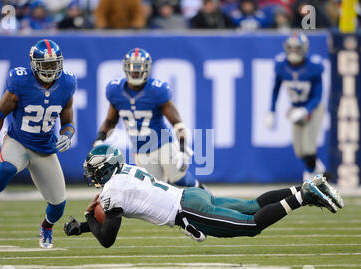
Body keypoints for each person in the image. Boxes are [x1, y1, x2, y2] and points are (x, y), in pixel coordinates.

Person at [63, 144, 344, 247]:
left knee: (251, 226)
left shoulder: (112, 190)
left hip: (187, 211)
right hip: (192, 196)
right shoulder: (126, 170)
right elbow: (116, 214)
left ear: (104, 170)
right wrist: (83, 229)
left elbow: (108, 238)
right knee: (251, 205)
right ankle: (304, 187)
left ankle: (305, 194)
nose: (91, 176)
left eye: (93, 171)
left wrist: (89, 215)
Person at [0, 39, 77, 249]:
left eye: (54, 64)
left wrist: (67, 135)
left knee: (58, 205)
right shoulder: (20, 82)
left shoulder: (67, 84)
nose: (51, 69)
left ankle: (46, 227)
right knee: (7, 168)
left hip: (44, 149)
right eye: (46, 64)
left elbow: (68, 122)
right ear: (34, 65)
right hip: (19, 141)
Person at [92, 48, 205, 189]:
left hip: (163, 144)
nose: (135, 72)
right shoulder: (115, 91)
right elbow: (110, 121)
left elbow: (178, 124)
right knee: (156, 190)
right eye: (133, 68)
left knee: (179, 179)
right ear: (125, 68)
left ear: (147, 69)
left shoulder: (157, 90)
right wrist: (99, 139)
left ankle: (204, 191)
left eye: (139, 68)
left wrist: (182, 149)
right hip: (140, 150)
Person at [264, 33, 328, 181]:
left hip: (313, 108)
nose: (293, 52)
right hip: (294, 108)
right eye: (290, 48)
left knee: (308, 147)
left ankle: (310, 175)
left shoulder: (313, 67)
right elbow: (275, 89)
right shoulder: (281, 66)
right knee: (299, 151)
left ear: (304, 49)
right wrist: (271, 111)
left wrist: (306, 110)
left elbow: (318, 96)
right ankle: (318, 167)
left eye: (296, 48)